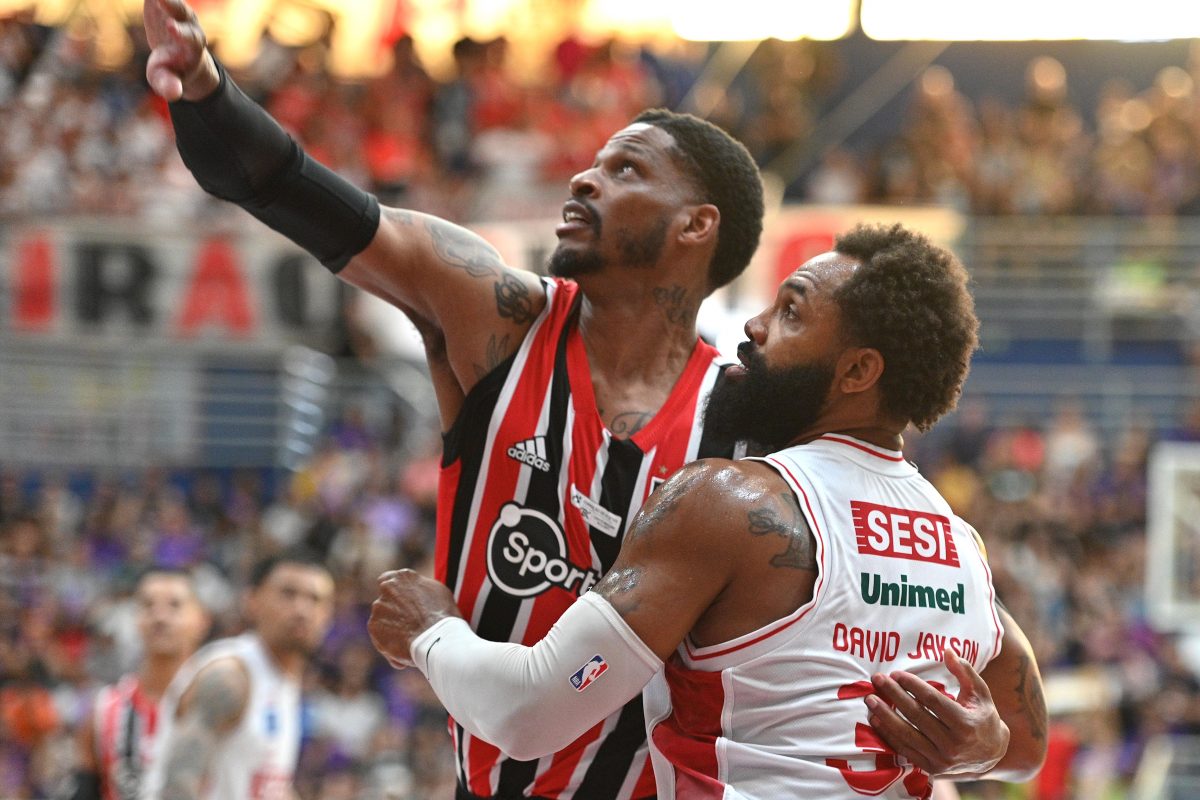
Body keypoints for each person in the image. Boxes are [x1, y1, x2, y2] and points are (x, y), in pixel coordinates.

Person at [141, 2, 1020, 794]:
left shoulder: (752, 419)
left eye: (625, 170)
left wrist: (985, 743)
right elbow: (292, 189)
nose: (584, 181)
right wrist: (206, 90)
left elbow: (917, 581)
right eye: (593, 164)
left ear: (696, 225)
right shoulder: (497, 317)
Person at [367, 224, 1049, 799]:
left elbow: (528, 714)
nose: (753, 326)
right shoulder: (959, 545)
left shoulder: (731, 501)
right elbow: (1025, 742)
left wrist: (429, 631)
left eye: (791, 313)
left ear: (857, 372)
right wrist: (984, 749)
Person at [138, 548, 335, 799]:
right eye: (288, 594)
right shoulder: (229, 675)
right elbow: (179, 779)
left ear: (328, 614)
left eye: (315, 599)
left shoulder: (283, 680)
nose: (301, 610)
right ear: (252, 601)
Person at [63, 568, 210, 800]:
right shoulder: (104, 710)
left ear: (202, 619)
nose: (159, 617)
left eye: (175, 605)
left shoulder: (222, 707)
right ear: (135, 618)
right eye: (148, 605)